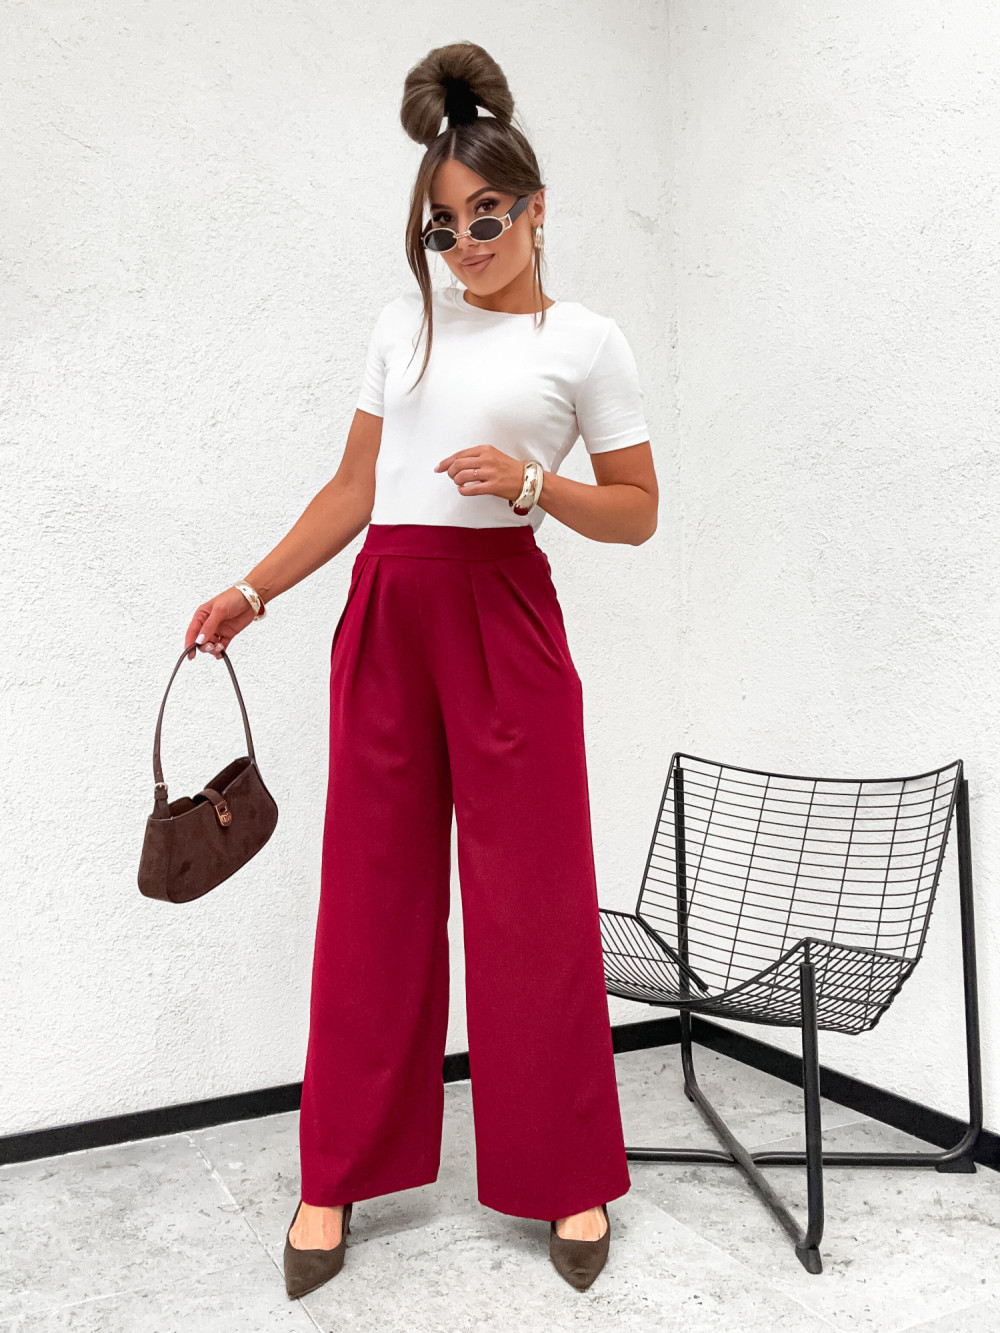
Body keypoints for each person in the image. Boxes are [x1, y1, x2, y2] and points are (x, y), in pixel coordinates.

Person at [185, 41, 658, 1298]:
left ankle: (566, 1172)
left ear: (537, 207)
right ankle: (334, 1175)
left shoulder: (584, 342)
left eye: (485, 214)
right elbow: (356, 489)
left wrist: (535, 484)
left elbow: (638, 511)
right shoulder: (403, 324)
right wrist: (250, 591)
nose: (465, 244)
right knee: (371, 901)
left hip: (507, 624)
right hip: (387, 617)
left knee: (532, 906)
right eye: (442, 227)